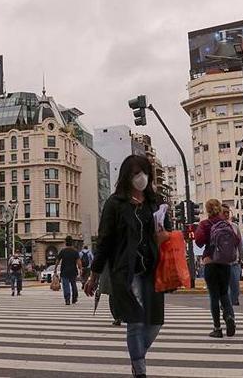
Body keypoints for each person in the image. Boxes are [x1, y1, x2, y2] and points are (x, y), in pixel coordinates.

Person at [84, 155, 171, 378]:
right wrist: (94, 275)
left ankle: (137, 355)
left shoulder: (155, 202)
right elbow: (104, 241)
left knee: (154, 323)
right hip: (126, 271)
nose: (140, 177)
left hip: (152, 269)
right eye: (135, 173)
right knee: (135, 321)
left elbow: (167, 232)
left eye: (143, 172)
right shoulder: (115, 204)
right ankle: (140, 370)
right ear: (126, 176)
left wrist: (164, 236)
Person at [194, 199, 237, 338]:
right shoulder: (226, 224)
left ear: (207, 210)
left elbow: (199, 242)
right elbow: (237, 240)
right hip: (225, 263)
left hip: (210, 262)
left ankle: (217, 328)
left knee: (214, 295)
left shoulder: (204, 224)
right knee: (224, 293)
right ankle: (230, 317)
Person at [221, 204, 243, 306]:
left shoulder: (235, 227)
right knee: (225, 289)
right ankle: (226, 308)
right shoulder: (216, 227)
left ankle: (230, 303)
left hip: (234, 263)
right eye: (224, 212)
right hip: (222, 264)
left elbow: (240, 246)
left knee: (235, 287)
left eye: (228, 212)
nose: (226, 214)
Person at [55, 236, 82, 305]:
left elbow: (57, 261)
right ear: (72, 243)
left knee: (66, 285)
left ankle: (67, 299)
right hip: (73, 271)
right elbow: (79, 262)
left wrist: (55, 268)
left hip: (64, 271)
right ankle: (74, 298)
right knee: (73, 284)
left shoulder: (63, 251)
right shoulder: (75, 251)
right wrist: (80, 269)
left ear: (65, 242)